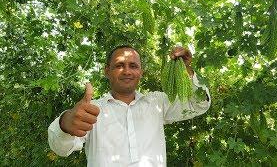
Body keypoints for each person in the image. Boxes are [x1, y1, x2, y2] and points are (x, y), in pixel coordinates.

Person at [48, 45, 211, 167]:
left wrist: (186, 70)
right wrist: (65, 124)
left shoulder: (157, 103)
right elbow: (61, 148)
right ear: (107, 71)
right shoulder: (92, 111)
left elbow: (199, 104)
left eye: (133, 66)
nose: (127, 71)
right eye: (119, 65)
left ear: (141, 72)